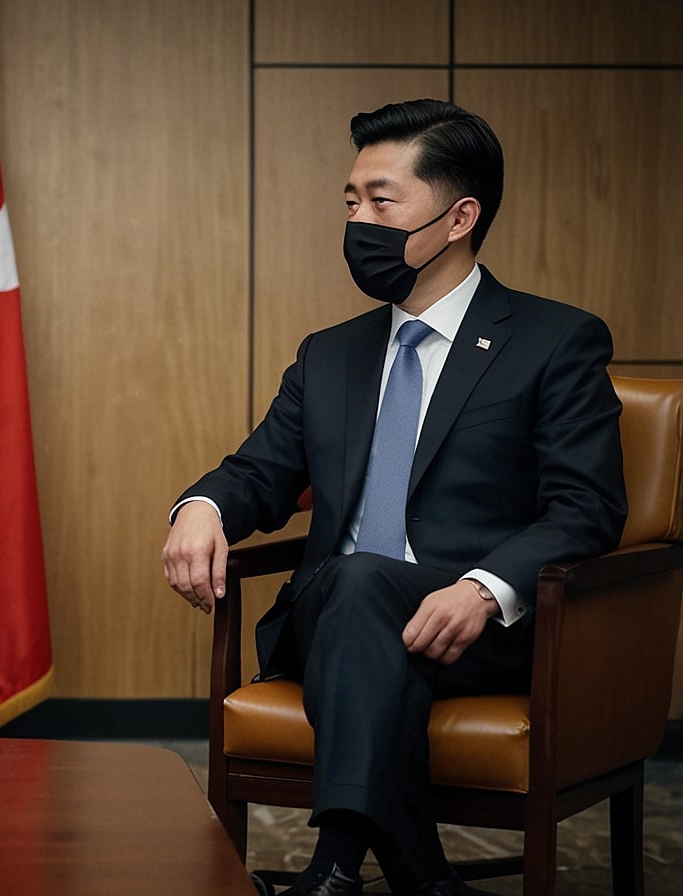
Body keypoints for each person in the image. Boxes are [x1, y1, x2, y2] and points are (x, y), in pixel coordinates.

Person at [161, 99, 626, 896]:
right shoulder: (331, 355)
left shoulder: (555, 341)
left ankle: (352, 871)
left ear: (460, 218)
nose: (358, 222)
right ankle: (390, 874)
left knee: (364, 599)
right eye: (351, 202)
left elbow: (587, 506)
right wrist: (201, 507)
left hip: (477, 630)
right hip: (332, 618)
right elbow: (259, 472)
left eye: (382, 201)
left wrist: (482, 589)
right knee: (354, 583)